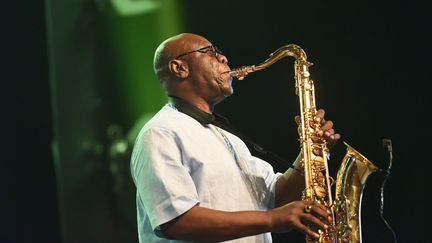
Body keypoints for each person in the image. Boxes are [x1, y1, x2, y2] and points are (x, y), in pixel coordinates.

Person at [130, 33, 341, 243]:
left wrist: (313, 150)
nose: (224, 59)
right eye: (211, 52)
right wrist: (271, 218)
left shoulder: (227, 137)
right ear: (180, 68)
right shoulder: (160, 132)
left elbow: (275, 198)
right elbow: (177, 222)